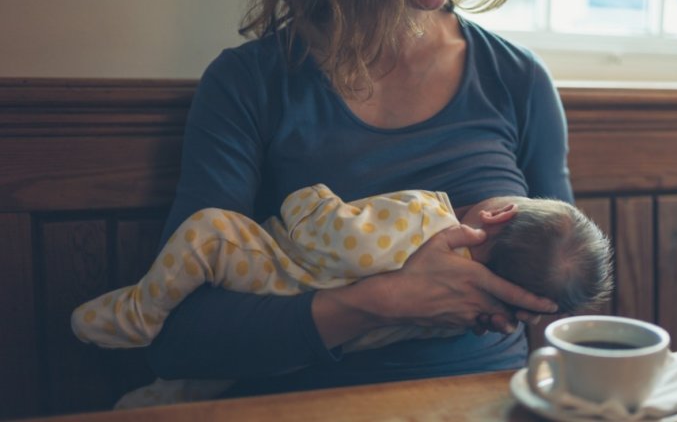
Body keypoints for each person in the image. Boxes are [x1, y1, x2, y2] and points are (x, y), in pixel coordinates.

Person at [144, 0, 574, 400]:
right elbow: (180, 340)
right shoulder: (249, 81)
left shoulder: (517, 78)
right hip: (310, 404)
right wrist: (384, 302)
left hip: (490, 401)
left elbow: (563, 290)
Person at [72, 183, 611, 407]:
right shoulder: (460, 313)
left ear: (498, 214)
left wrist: (310, 198)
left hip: (268, 273)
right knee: (205, 382)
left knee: (208, 232)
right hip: (305, 355)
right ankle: (149, 400)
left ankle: (138, 312)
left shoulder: (426, 215)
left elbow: (326, 233)